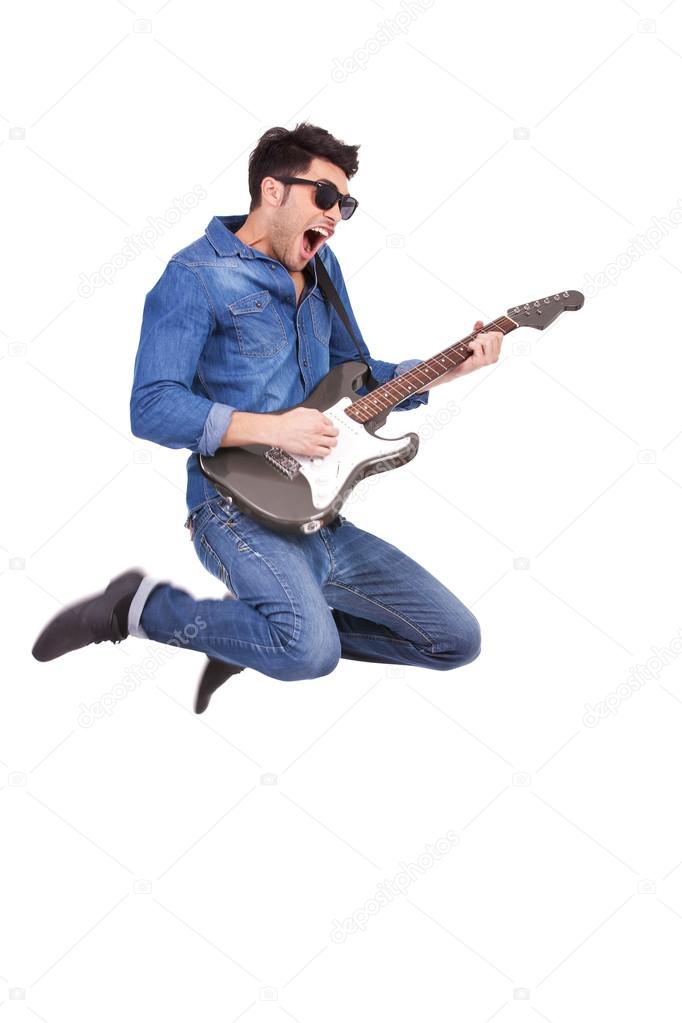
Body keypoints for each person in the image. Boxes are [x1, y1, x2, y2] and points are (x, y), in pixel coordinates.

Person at [32, 123, 503, 713]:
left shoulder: (323, 273)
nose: (335, 216)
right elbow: (152, 406)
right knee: (311, 654)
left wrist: (449, 369)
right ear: (272, 190)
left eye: (345, 204)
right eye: (324, 197)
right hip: (233, 511)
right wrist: (274, 428)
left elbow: (353, 379)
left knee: (455, 641)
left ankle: (255, 633)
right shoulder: (195, 277)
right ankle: (140, 609)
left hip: (316, 514)